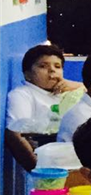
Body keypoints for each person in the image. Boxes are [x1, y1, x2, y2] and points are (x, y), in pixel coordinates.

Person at [4, 43, 84, 171]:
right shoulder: (23, 94)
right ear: (27, 75)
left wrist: (78, 86)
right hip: (47, 166)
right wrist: (38, 169)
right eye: (43, 66)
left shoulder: (68, 93)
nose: (52, 70)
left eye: (57, 66)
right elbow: (16, 133)